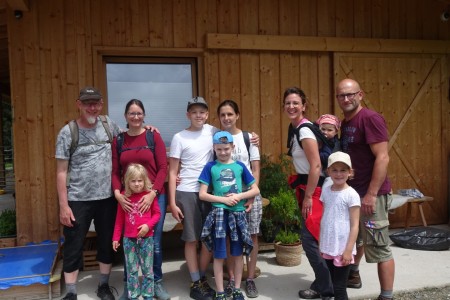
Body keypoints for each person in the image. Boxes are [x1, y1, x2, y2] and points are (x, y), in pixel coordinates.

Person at [56, 87, 121, 300]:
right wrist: (64, 206)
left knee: (105, 242)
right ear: (79, 104)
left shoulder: (108, 125)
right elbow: (61, 172)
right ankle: (72, 292)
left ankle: (103, 286)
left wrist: (147, 129)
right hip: (78, 200)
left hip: (108, 199)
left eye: (95, 103)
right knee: (74, 244)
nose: (92, 107)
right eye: (87, 103)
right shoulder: (68, 132)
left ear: (101, 104)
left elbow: (128, 141)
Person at [336, 79, 395, 300]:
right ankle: (354, 274)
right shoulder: (346, 122)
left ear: (360, 95)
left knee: (379, 246)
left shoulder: (370, 118)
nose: (346, 99)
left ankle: (386, 296)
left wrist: (371, 194)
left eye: (350, 94)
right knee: (357, 238)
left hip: (371, 195)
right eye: (341, 95)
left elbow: (382, 157)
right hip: (353, 194)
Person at [111, 99, 170, 300]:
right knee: (130, 242)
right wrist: (118, 194)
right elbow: (114, 171)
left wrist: (153, 192)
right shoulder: (119, 140)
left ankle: (156, 283)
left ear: (144, 115)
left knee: (154, 242)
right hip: (128, 198)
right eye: (131, 113)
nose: (135, 117)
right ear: (126, 116)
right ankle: (130, 285)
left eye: (139, 113)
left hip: (153, 196)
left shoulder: (153, 137)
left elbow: (163, 168)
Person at [283, 87, 334, 300]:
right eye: (288, 103)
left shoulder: (304, 130)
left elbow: (315, 166)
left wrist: (308, 197)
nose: (291, 106)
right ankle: (327, 282)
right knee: (315, 237)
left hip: (315, 189)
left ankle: (326, 287)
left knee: (310, 239)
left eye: (296, 103)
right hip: (311, 187)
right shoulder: (296, 128)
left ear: (304, 106)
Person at [199, 131, 260, 300]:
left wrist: (238, 197)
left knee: (238, 253)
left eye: (226, 148)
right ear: (214, 148)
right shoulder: (210, 167)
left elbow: (255, 189)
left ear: (233, 147)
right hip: (218, 214)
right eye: (219, 149)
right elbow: (202, 194)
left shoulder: (240, 166)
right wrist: (222, 200)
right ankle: (220, 291)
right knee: (219, 254)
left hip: (238, 213)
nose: (223, 152)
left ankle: (237, 289)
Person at [168, 96, 217, 300]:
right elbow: (172, 172)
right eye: (194, 112)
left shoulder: (213, 131)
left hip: (210, 191)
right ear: (188, 114)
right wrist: (172, 202)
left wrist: (253, 137)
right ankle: (195, 280)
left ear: (207, 114)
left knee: (209, 238)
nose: (198, 115)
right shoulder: (179, 137)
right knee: (191, 238)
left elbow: (232, 135)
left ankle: (202, 276)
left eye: (202, 112)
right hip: (187, 191)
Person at [217, 100, 261, 298]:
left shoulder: (248, 138)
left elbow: (255, 167)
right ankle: (232, 279)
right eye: (223, 115)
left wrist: (252, 195)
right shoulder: (217, 138)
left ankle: (249, 278)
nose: (226, 118)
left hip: (248, 192)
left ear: (237, 115)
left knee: (251, 235)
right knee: (229, 237)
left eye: (230, 114)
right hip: (226, 195)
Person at [112, 163, 161, 300]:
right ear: (127, 182)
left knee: (147, 270)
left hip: (147, 239)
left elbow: (157, 214)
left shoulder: (149, 196)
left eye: (140, 180)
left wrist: (147, 226)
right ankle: (133, 295)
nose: (137, 184)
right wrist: (116, 238)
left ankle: (148, 294)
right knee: (131, 271)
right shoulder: (124, 197)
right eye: (133, 181)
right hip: (129, 240)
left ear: (144, 180)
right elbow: (119, 220)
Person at [319, 152, 360, 300]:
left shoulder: (351, 195)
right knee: (333, 284)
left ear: (350, 172)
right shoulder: (326, 191)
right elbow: (326, 217)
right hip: (329, 245)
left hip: (343, 248)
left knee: (339, 287)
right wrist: (321, 241)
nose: (338, 174)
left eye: (343, 170)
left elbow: (355, 225)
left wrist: (348, 250)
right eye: (334, 170)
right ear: (328, 171)